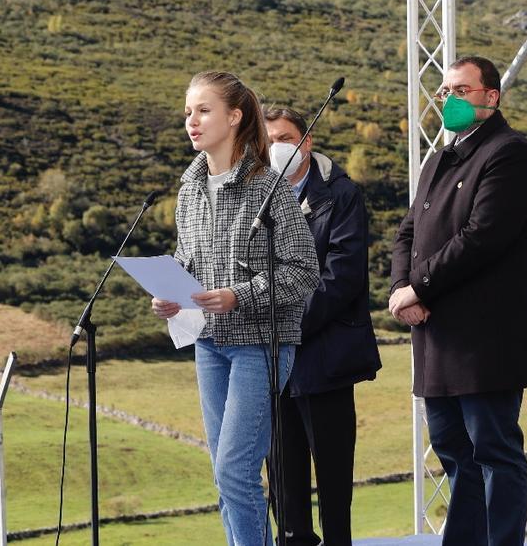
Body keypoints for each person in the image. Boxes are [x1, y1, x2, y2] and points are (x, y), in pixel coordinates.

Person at [151, 71, 320, 546]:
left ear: (234, 116)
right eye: (188, 112)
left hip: (260, 346)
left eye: (203, 110)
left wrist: (238, 295)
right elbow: (188, 259)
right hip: (208, 344)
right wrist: (169, 293)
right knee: (224, 476)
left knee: (235, 472)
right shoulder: (189, 190)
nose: (192, 121)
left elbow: (305, 272)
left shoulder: (270, 188)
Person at [389, 56, 527, 546]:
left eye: (460, 90)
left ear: (490, 97)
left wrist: (420, 287)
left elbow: (483, 238)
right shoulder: (441, 156)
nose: (448, 100)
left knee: (494, 450)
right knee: (453, 450)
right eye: (444, 91)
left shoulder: (509, 152)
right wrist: (399, 290)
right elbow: (408, 232)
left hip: (486, 338)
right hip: (436, 336)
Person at [263, 107, 382, 546]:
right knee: (282, 475)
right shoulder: (260, 196)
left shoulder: (341, 194)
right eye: (269, 138)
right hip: (273, 363)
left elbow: (343, 276)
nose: (276, 147)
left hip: (324, 356)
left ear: (306, 141)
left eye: (285, 137)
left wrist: (288, 324)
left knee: (333, 475)